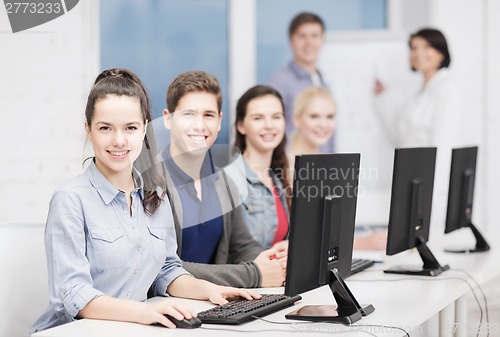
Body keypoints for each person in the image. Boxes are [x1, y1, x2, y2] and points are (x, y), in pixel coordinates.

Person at [31, 68, 260, 333]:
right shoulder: (70, 200)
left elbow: (167, 270)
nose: (119, 140)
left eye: (130, 128)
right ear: (88, 130)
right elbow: (74, 294)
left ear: (144, 130)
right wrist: (145, 311)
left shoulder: (156, 196)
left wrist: (212, 291)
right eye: (105, 128)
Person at [161, 70, 287, 288]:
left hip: (215, 307)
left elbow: (243, 246)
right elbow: (164, 268)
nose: (200, 125)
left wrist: (272, 261)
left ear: (219, 121)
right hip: (167, 307)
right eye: (189, 114)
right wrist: (253, 274)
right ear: (168, 119)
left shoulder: (223, 182)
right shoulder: (151, 184)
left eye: (208, 115)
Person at [373, 28, 467, 228]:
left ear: (441, 53)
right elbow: (400, 140)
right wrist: (384, 99)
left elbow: (443, 148)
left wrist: (428, 203)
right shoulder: (421, 93)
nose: (418, 53)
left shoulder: (446, 90)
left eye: (426, 47)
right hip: (414, 187)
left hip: (431, 194)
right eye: (414, 48)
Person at [234, 85, 291, 249]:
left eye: (276, 117)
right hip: (251, 274)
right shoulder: (231, 179)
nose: (269, 125)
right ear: (241, 126)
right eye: (258, 118)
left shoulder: (278, 178)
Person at [267, 12, 334, 152]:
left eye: (315, 36)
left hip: (324, 167)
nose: (309, 42)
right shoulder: (279, 84)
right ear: (291, 42)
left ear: (322, 40)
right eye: (302, 36)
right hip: (292, 167)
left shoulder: (324, 84)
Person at [287, 86, 336, 169]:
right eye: (314, 116)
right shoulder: (282, 165)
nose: (323, 125)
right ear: (297, 120)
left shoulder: (332, 166)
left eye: (329, 117)